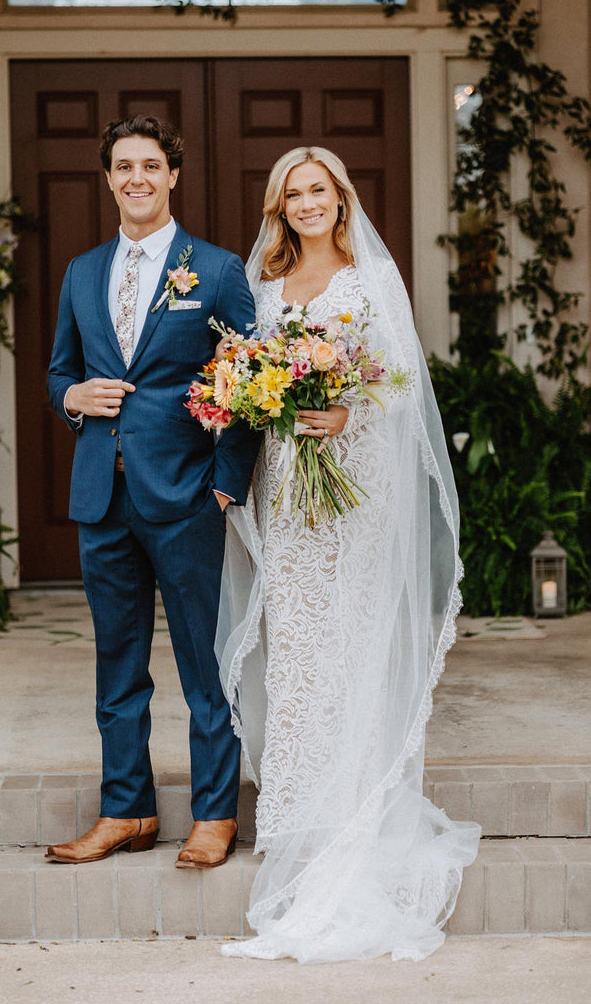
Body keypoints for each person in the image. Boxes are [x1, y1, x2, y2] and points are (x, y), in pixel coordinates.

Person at [216, 147, 481, 962]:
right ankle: (304, 817)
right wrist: (257, 397)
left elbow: (401, 389)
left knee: (353, 644)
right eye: (291, 194)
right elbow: (245, 388)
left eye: (316, 191)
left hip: (357, 490)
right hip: (287, 491)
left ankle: (358, 812)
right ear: (278, 207)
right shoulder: (262, 289)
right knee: (299, 651)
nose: (305, 203)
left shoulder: (372, 281)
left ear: (340, 199)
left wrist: (344, 415)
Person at [46, 114, 260, 868]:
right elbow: (60, 371)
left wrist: (224, 485)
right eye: (123, 167)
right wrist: (73, 398)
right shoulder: (81, 272)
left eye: (150, 166)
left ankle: (214, 814)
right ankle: (126, 810)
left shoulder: (217, 269)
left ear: (173, 176)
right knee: (117, 665)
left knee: (205, 665)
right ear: (108, 179)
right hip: (100, 499)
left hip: (187, 498)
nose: (136, 178)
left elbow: (251, 382)